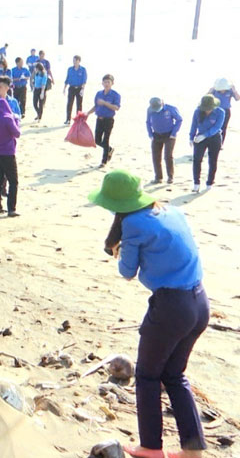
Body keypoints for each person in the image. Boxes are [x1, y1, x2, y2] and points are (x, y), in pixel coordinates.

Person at [88, 169, 208, 458]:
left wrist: (120, 250)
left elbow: (127, 272)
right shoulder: (170, 210)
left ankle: (151, 446)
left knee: (147, 375)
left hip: (171, 308)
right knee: (175, 375)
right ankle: (193, 449)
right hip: (200, 302)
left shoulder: (133, 226)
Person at [189, 95, 225, 193]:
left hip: (214, 138)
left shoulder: (220, 112)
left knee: (212, 160)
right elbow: (194, 125)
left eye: (209, 109)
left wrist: (205, 135)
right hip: (200, 138)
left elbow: (217, 127)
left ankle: (210, 182)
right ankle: (196, 183)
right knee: (196, 160)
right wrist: (191, 138)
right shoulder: (197, 112)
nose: (207, 111)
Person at [146, 97, 182, 185]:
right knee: (156, 157)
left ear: (162, 104)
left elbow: (179, 119)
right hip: (156, 135)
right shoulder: (150, 110)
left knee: (168, 156)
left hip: (169, 135)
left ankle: (170, 176)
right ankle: (158, 177)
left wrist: (174, 133)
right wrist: (150, 134)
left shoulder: (171, 109)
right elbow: (148, 122)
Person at [87, 74, 121, 167]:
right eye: (105, 82)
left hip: (108, 120)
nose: (106, 84)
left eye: (108, 82)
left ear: (112, 83)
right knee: (97, 140)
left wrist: (105, 103)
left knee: (106, 140)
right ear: (102, 83)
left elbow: (116, 107)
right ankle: (109, 149)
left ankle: (104, 161)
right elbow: (96, 106)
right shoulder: (99, 94)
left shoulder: (115, 95)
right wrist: (87, 113)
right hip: (99, 119)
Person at [207, 78, 239, 145]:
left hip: (226, 111)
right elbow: (206, 99)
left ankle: (220, 143)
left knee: (223, 127)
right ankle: (211, 142)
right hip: (215, 111)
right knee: (213, 126)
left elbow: (237, 98)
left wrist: (235, 90)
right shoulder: (215, 91)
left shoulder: (230, 91)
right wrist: (210, 91)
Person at [63, 55, 87, 124]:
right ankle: (68, 119)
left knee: (79, 104)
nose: (74, 62)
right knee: (69, 104)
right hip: (71, 88)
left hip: (79, 88)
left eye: (76, 61)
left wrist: (83, 89)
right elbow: (67, 79)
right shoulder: (70, 69)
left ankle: (78, 120)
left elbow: (84, 80)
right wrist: (64, 88)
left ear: (79, 61)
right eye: (73, 60)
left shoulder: (83, 69)